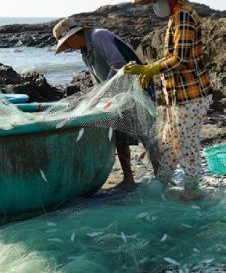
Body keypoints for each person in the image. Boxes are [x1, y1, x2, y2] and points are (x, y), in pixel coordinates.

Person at [124, 0, 212, 201]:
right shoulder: (176, 15)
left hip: (190, 95)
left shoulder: (183, 15)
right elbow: (174, 55)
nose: (155, 6)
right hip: (177, 96)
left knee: (185, 141)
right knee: (168, 140)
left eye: (156, 1)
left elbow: (181, 59)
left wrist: (151, 68)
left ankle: (192, 187)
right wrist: (150, 69)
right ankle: (162, 180)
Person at [52, 19, 159, 188]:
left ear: (74, 34)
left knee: (147, 133)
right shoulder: (84, 54)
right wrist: (99, 100)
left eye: (67, 43)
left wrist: (105, 91)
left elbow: (119, 65)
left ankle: (161, 175)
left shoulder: (99, 36)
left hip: (138, 88)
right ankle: (128, 179)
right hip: (118, 95)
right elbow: (98, 84)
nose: (69, 47)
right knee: (119, 134)